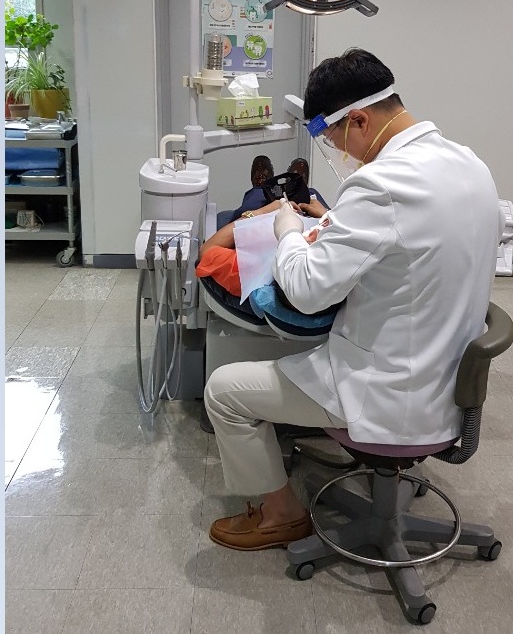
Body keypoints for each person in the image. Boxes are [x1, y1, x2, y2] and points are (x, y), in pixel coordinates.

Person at [204, 47, 504, 552]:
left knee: (223, 391)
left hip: (387, 397)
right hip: (449, 387)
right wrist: (333, 229)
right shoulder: (470, 164)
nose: (339, 152)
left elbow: (304, 292)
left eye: (333, 139)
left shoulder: (381, 184)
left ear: (359, 119)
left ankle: (280, 516)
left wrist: (287, 230)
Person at [227, 156, 329, 224]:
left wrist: (261, 211)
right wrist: (326, 215)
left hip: (258, 227)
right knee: (310, 193)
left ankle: (262, 187)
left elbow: (232, 230)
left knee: (258, 193)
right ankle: (298, 187)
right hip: (311, 227)